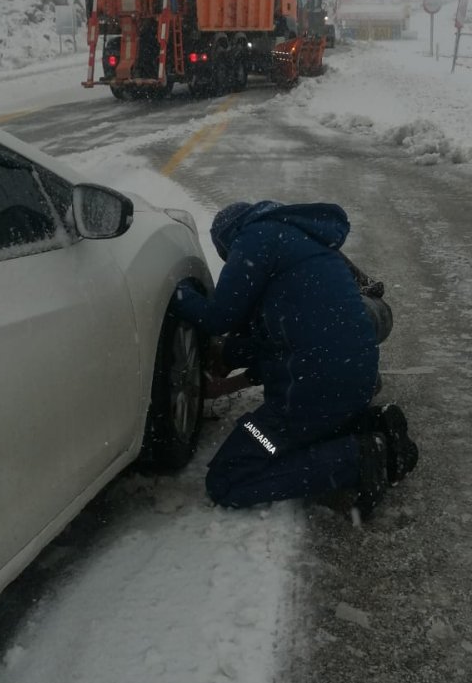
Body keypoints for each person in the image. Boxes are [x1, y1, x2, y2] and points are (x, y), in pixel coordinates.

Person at [174, 200, 418, 516]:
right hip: (355, 380)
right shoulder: (303, 242)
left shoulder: (254, 238)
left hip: (310, 391)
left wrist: (178, 292)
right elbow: (283, 339)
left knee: (229, 476)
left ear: (227, 240)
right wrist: (228, 375)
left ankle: (358, 458)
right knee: (305, 429)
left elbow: (221, 318)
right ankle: (371, 425)